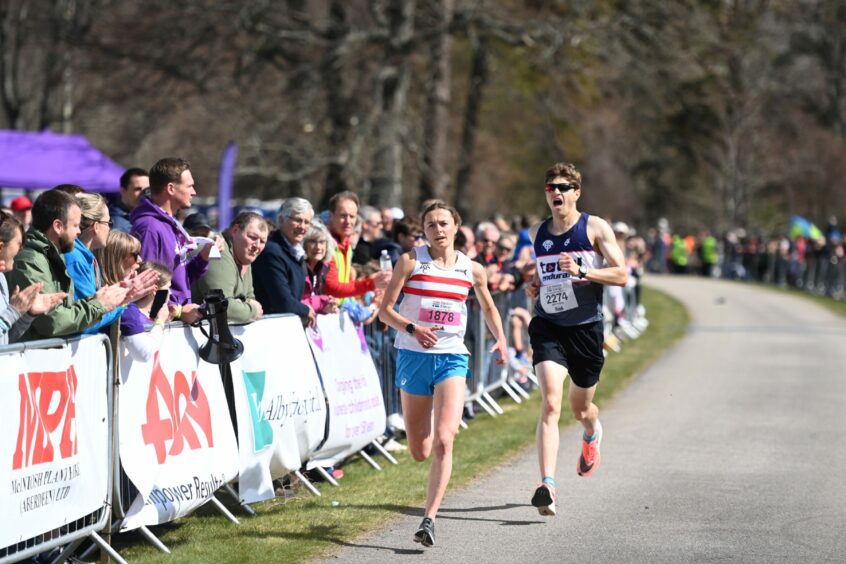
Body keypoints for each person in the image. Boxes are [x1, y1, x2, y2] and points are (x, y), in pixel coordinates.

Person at [378, 200, 507, 548]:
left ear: (456, 227)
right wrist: (412, 328)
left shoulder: (472, 269)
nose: (438, 229)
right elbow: (385, 311)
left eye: (443, 223)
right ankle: (429, 445)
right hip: (413, 356)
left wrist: (502, 340)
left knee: (445, 439)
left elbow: (490, 307)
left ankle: (429, 518)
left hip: (451, 357)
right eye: (431, 224)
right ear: (425, 230)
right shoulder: (410, 261)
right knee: (420, 449)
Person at [525, 162, 627, 517]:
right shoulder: (537, 232)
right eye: (551, 187)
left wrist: (584, 271)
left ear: (576, 192)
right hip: (548, 325)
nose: (556, 192)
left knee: (580, 409)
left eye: (564, 187)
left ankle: (592, 432)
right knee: (551, 403)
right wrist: (535, 286)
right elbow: (543, 278)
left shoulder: (594, 226)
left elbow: (622, 273)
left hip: (585, 328)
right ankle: (547, 486)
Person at [6, 188, 156, 341]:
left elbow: (68, 310)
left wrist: (118, 297)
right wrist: (103, 304)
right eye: (75, 225)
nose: (79, 231)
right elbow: (53, 322)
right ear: (58, 226)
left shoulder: (54, 255)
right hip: (34, 360)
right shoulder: (33, 260)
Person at [131, 158, 223, 324]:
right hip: (159, 327)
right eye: (189, 186)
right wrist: (178, 311)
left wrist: (204, 256)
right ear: (171, 188)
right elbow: (146, 289)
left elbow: (179, 279)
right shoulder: (149, 228)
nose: (194, 192)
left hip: (173, 322)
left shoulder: (170, 224)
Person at [0, 211, 65, 344]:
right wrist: (13, 311)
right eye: (19, 243)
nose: (21, 249)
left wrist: (27, 315)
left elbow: (5, 341)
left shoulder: (2, 278)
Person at [64, 192, 125, 334]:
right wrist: (121, 302)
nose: (110, 228)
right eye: (108, 223)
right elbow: (88, 321)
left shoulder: (87, 257)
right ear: (96, 226)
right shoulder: (74, 259)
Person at [192, 211, 267, 324]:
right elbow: (222, 307)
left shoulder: (243, 254)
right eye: (252, 237)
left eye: (262, 241)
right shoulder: (217, 251)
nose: (256, 246)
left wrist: (247, 307)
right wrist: (253, 311)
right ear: (235, 231)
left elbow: (250, 299)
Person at [252, 198, 316, 325]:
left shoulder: (296, 252)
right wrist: (306, 310)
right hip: (269, 328)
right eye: (298, 220)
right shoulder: (272, 252)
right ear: (281, 220)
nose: (302, 227)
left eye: (307, 222)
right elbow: (282, 301)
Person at [325, 191, 391, 300]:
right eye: (343, 216)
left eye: (352, 216)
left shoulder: (346, 243)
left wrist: (369, 289)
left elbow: (345, 283)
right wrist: (370, 284)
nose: (348, 221)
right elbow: (331, 288)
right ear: (331, 216)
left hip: (338, 310)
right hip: (324, 313)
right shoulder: (325, 243)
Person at [121, 262, 174, 362]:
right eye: (168, 288)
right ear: (155, 290)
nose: (170, 293)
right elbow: (145, 352)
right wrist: (160, 322)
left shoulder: (152, 315)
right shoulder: (135, 316)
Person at [301, 220, 340, 315]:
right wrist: (322, 301)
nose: (318, 247)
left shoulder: (323, 268)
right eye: (313, 242)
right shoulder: (299, 268)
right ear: (304, 244)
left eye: (322, 242)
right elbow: (296, 302)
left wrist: (327, 307)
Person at [111, 168, 149, 233]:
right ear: (123, 191)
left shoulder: (148, 217)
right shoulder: (117, 226)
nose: (144, 193)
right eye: (138, 189)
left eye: (147, 189)